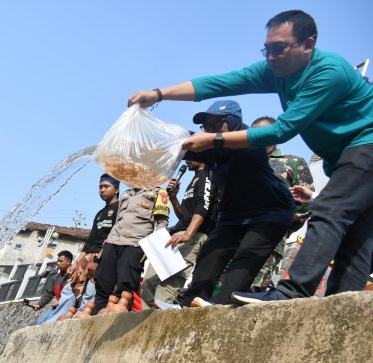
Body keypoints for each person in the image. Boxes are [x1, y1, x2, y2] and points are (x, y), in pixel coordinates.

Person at [128, 9, 373, 304]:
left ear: (308, 44)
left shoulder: (327, 72)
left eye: (279, 48)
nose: (270, 57)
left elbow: (281, 130)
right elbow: (222, 83)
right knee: (358, 236)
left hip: (366, 144)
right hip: (345, 156)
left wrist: (215, 140)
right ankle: (341, 306)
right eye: (266, 49)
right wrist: (158, 94)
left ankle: (292, 291)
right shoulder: (276, 71)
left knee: (331, 210)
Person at [171, 101, 294, 307]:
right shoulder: (211, 148)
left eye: (217, 124)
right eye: (206, 126)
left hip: (270, 212)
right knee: (210, 255)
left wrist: (206, 140)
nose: (210, 130)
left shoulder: (250, 140)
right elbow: (181, 143)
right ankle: (190, 303)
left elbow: (215, 144)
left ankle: (221, 306)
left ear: (233, 121)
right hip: (232, 215)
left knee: (243, 262)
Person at [249, 116, 315, 290]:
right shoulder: (244, 162)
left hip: (268, 237)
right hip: (235, 231)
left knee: (253, 285)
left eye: (263, 134)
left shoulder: (293, 162)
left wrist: (281, 223)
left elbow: (305, 203)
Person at [140, 160, 216, 308]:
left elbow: (203, 207)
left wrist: (188, 235)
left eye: (190, 156)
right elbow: (185, 216)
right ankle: (146, 319)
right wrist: (174, 197)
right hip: (179, 233)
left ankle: (159, 320)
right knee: (149, 281)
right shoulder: (195, 179)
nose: (186, 160)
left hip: (193, 235)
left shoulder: (207, 175)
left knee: (169, 284)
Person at [93, 183, 170, 313]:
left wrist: (152, 247)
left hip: (135, 242)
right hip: (113, 241)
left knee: (126, 283)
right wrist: (105, 245)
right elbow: (118, 220)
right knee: (102, 279)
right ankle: (96, 314)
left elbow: (161, 222)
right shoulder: (126, 193)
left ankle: (119, 318)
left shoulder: (159, 193)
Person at [32, 251, 73, 324]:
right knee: (37, 323)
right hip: (55, 308)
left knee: (45, 324)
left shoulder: (74, 276)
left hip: (67, 308)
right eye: (58, 261)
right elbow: (49, 293)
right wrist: (39, 304)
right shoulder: (56, 278)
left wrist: (60, 301)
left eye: (61, 261)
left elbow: (75, 294)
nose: (58, 263)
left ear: (68, 262)